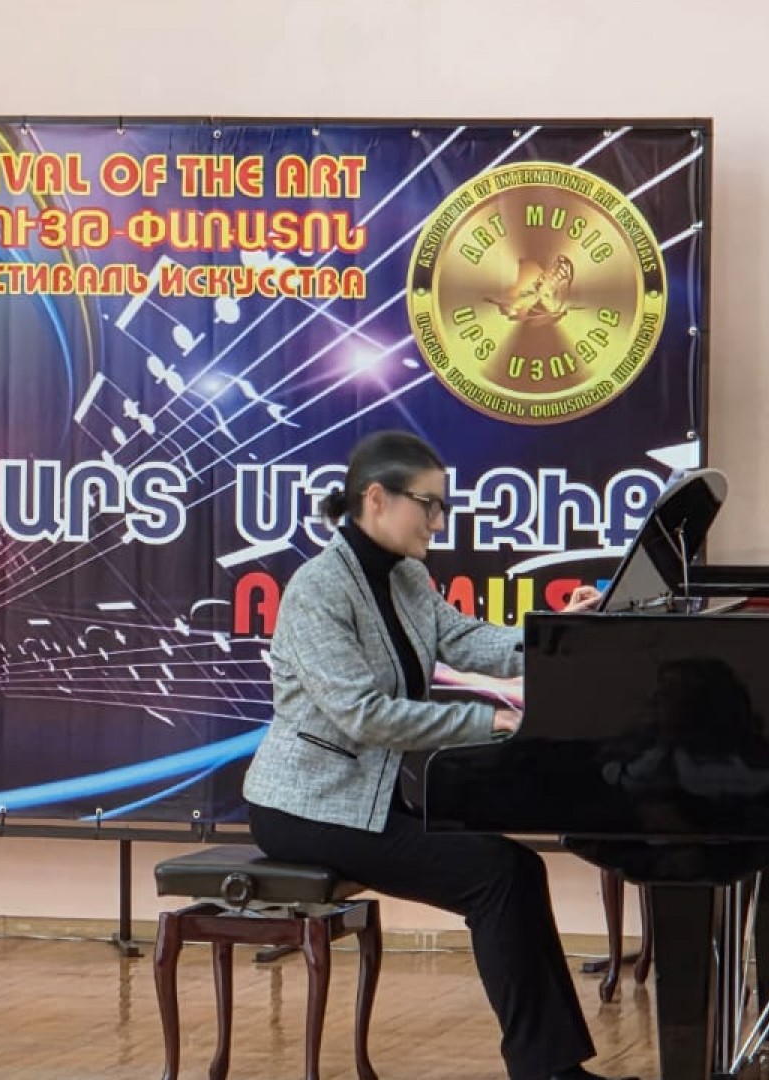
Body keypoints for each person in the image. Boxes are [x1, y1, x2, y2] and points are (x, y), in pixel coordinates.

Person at [240, 430, 631, 1080]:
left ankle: (554, 1068)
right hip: (307, 807)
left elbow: (466, 639)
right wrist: (488, 719)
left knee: (516, 869)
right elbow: (364, 716)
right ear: (376, 498)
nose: (439, 520)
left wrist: (561, 631)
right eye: (428, 504)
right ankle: (547, 1071)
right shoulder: (317, 590)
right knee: (497, 875)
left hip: (369, 799)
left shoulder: (405, 576)